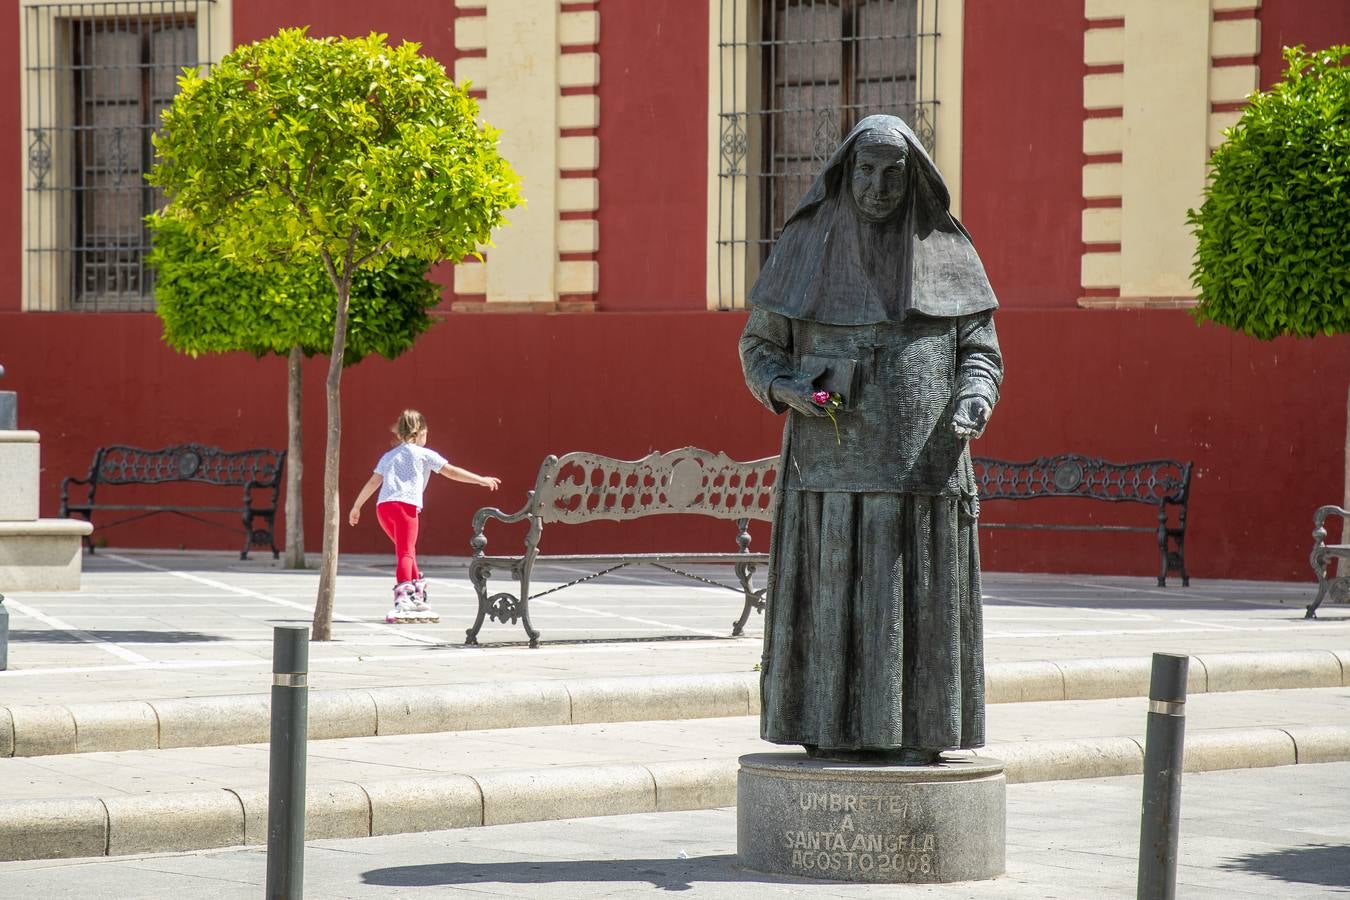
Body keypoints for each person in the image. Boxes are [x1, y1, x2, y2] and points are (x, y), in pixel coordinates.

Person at [739, 114, 1004, 765]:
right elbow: (759, 348)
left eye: (892, 173)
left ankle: (921, 731)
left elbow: (981, 353)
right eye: (865, 170)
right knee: (832, 607)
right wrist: (785, 387)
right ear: (845, 172)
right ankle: (825, 725)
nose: (878, 186)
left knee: (914, 614)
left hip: (924, 474)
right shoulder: (803, 248)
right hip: (829, 476)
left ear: (912, 178)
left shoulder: (952, 257)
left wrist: (974, 398)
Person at [348, 409, 500, 623]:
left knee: (407, 550)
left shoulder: (388, 456)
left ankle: (416, 591)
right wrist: (480, 480)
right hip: (405, 507)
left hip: (383, 508)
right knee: (406, 552)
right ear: (419, 432)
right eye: (426, 434)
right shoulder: (423, 453)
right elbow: (452, 471)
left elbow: (374, 481)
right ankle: (403, 597)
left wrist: (357, 506)